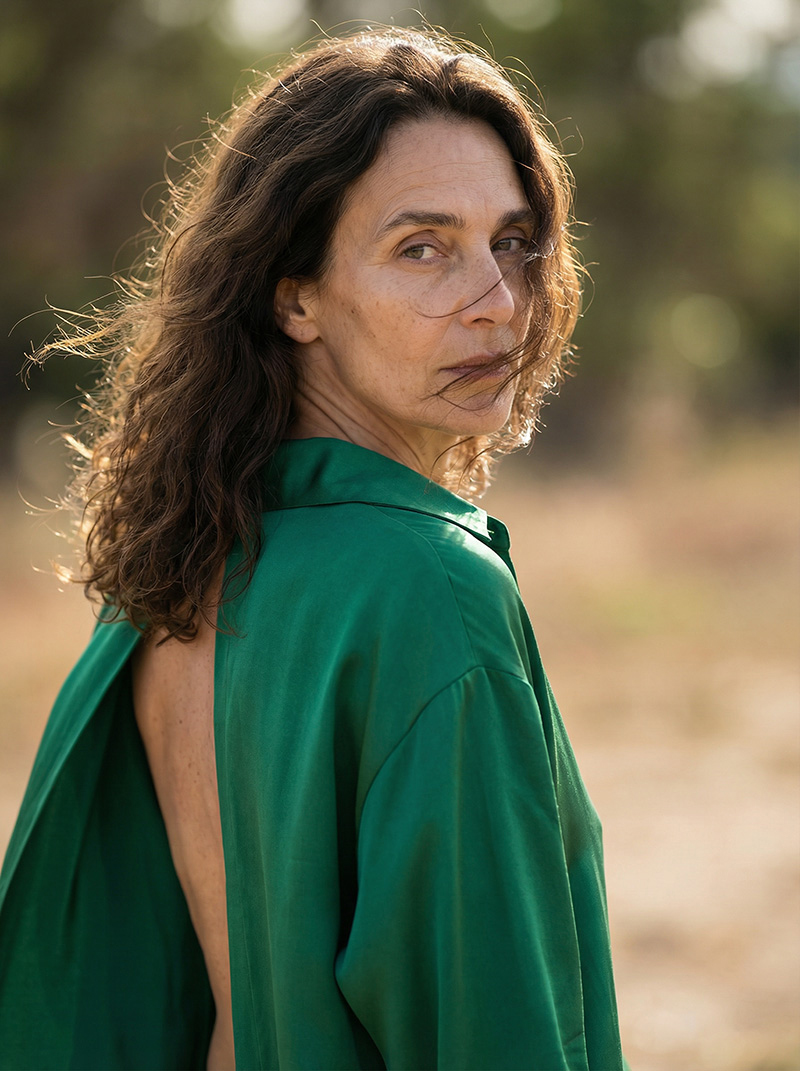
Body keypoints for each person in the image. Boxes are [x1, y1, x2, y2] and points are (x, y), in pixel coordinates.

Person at [0, 26, 626, 1071]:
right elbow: (494, 1029)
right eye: (422, 248)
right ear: (294, 296)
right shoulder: (428, 586)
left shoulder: (178, 571)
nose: (499, 301)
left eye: (512, 242)